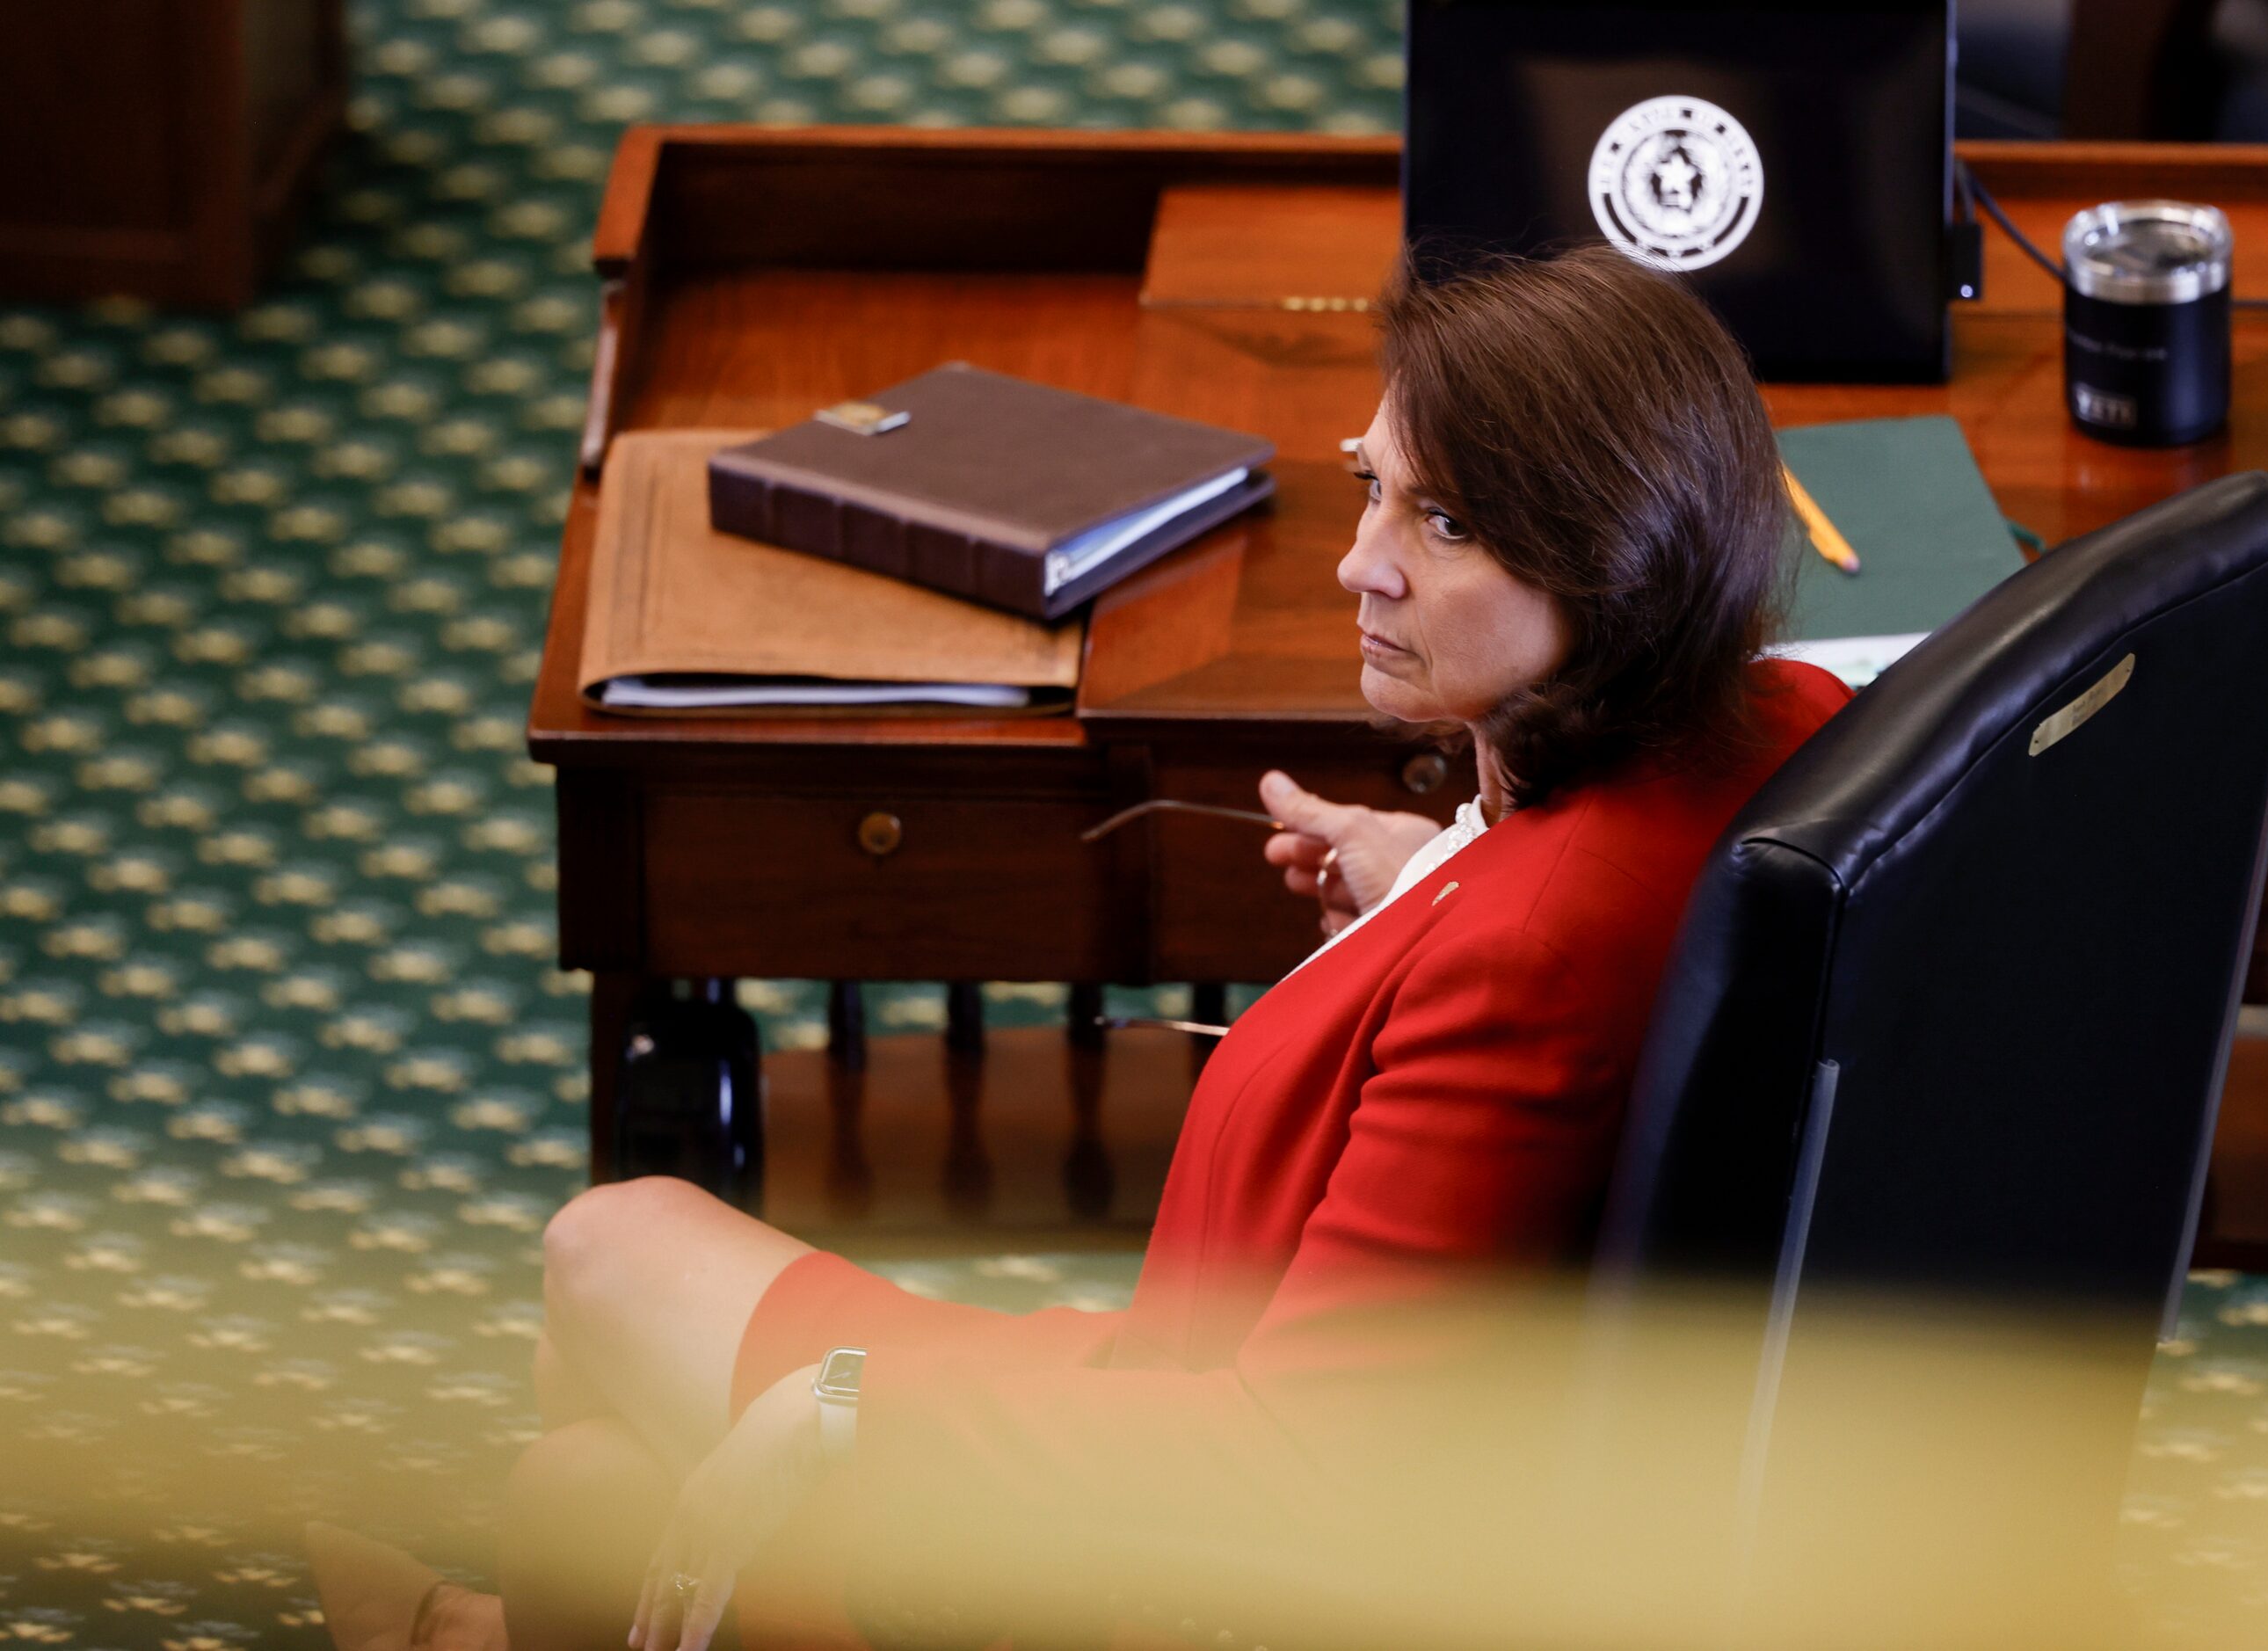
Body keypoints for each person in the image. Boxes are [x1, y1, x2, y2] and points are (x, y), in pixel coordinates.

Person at [304, 243, 1851, 1651]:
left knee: (603, 1255)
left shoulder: (1526, 949)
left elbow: (1299, 1464)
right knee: (587, 1486)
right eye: (1370, 486)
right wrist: (1433, 871)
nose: (1358, 563)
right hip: (1370, 1412)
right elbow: (1588, 920)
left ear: (1618, 559)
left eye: (1442, 522)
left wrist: (865, 1413)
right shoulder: (1779, 722)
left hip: (1200, 1512)